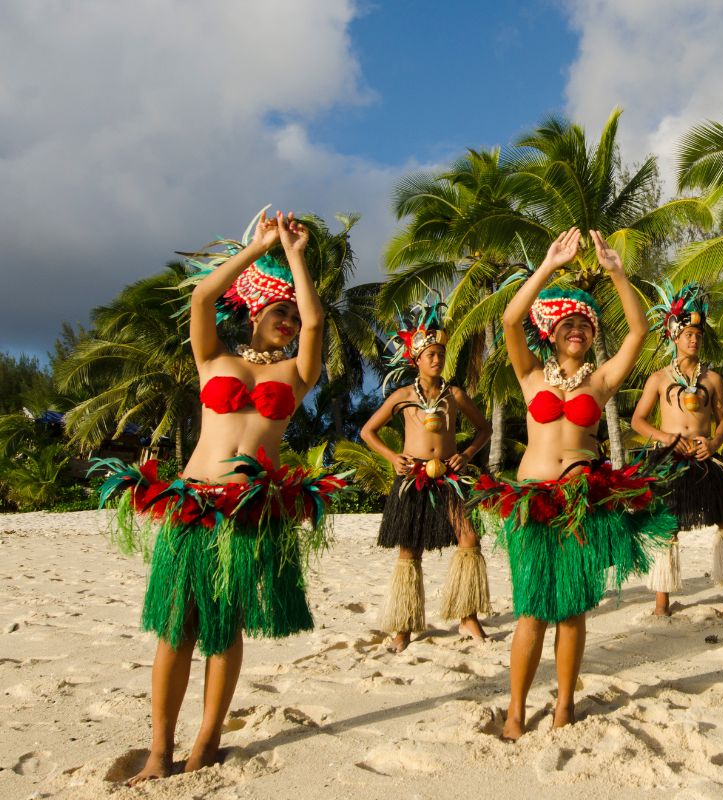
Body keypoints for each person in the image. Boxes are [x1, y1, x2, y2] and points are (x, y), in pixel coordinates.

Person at [92, 209, 344, 782]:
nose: (287, 321)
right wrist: (259, 247)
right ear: (254, 312)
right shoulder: (214, 359)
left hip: (251, 513)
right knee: (177, 626)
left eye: (289, 311)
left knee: (225, 628)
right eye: (276, 310)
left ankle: (206, 740)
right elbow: (202, 298)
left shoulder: (294, 375)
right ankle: (159, 749)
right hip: (196, 504)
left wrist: (296, 256)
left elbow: (315, 324)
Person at [477, 228, 674, 740]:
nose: (578, 330)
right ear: (553, 330)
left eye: (585, 323)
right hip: (532, 499)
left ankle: (565, 705)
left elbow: (637, 331)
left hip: (582, 500)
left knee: (572, 609)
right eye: (568, 322)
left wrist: (616, 271)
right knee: (531, 610)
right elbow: (508, 319)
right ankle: (517, 709)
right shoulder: (530, 377)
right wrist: (546, 266)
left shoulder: (601, 380)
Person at [360, 297, 493, 653]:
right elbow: (367, 432)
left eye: (440, 353)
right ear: (416, 359)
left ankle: (467, 617)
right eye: (430, 354)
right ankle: (403, 625)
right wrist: (391, 457)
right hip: (413, 477)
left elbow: (484, 430)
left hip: (449, 476)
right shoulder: (402, 396)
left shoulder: (455, 395)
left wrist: (465, 455)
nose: (437, 359)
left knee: (469, 541)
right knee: (409, 549)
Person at [631, 281, 723, 616]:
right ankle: (661, 604)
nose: (694, 340)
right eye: (688, 334)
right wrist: (665, 437)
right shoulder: (658, 378)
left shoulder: (712, 379)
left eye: (698, 335)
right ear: (674, 336)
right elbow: (638, 421)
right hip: (669, 457)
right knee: (666, 526)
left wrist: (713, 443)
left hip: (704, 455)